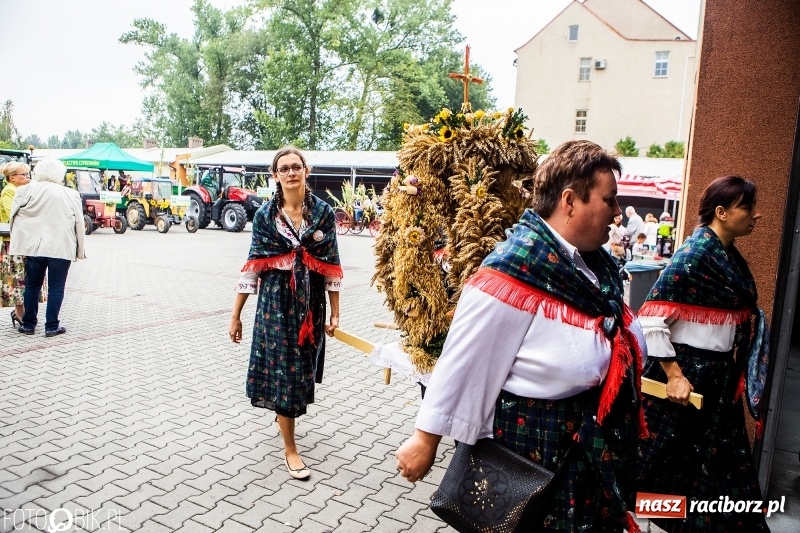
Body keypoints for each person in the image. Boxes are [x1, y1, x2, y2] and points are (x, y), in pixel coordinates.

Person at [395, 140, 648, 532]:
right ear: (569, 201)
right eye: (609, 200)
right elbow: (464, 359)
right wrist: (424, 440)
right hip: (534, 455)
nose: (617, 213)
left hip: (583, 450)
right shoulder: (514, 270)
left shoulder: (594, 264)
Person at [636, 175, 768, 532]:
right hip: (687, 384)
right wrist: (675, 375)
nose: (757, 215)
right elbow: (651, 319)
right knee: (668, 470)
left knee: (715, 473)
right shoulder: (694, 256)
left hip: (718, 383)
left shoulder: (728, 259)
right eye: (748, 207)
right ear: (722, 212)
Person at [229, 146, 342, 481]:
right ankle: (290, 448)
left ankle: (285, 419)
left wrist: (335, 314)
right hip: (275, 304)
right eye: (284, 168)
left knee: (299, 370)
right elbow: (251, 267)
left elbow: (332, 267)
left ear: (306, 171)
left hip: (309, 305)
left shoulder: (323, 214)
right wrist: (235, 315)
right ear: (275, 175)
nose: (291, 173)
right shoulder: (265, 216)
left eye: (296, 167)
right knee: (284, 372)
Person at [9, 158, 85, 337]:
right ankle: (51, 326)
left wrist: (18, 241)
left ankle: (28, 324)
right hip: (61, 246)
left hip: (33, 246)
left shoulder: (24, 191)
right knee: (56, 287)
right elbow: (79, 223)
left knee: (32, 286)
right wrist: (80, 249)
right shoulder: (70, 194)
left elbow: (14, 218)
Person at [0, 162, 32, 327]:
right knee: (17, 278)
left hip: (23, 240)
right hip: (13, 243)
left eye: (27, 174)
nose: (27, 177)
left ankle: (23, 311)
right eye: (23, 175)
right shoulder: (8, 191)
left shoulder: (21, 190)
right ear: (12, 177)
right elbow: (15, 214)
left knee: (25, 278)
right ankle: (19, 313)